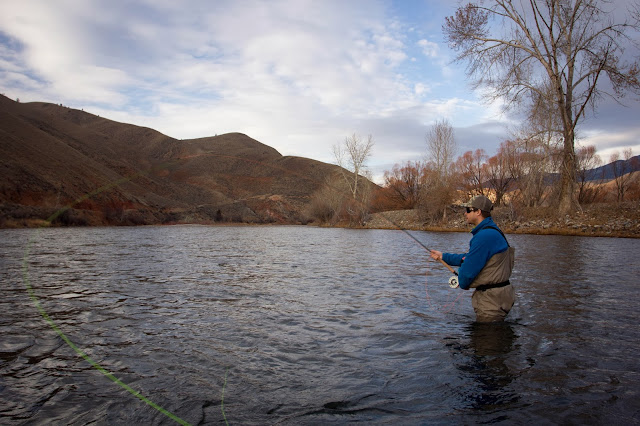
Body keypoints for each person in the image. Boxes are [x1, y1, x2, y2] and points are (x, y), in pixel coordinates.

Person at [429, 195, 515, 322]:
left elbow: (465, 278)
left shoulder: (484, 237)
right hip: (501, 296)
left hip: (491, 301)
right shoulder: (493, 232)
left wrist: (461, 279)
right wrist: (443, 256)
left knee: (487, 334)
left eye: (468, 210)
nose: (465, 213)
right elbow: (471, 258)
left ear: (478, 212)